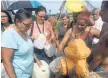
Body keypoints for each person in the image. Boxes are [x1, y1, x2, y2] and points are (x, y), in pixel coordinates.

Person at [1, 9, 39, 78]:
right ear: (18, 22)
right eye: (27, 25)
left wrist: (36, 59)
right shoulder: (9, 35)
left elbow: (29, 50)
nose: (29, 27)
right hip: (18, 75)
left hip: (28, 73)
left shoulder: (24, 32)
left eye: (31, 24)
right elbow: (6, 61)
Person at [89, 1, 108, 72]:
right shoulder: (105, 26)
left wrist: (89, 70)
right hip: (97, 65)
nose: (100, 13)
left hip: (102, 69)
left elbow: (99, 57)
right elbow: (100, 45)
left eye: (103, 10)